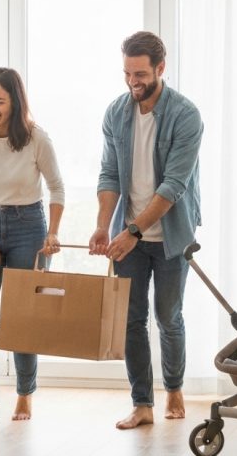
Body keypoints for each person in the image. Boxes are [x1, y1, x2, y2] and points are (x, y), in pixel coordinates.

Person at [88, 31, 202, 430]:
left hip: (169, 235)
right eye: (127, 73)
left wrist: (133, 230)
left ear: (160, 69)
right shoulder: (116, 113)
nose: (133, 81)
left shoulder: (186, 116)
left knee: (168, 316)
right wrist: (104, 226)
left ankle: (173, 388)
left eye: (140, 74)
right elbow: (108, 174)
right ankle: (142, 403)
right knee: (132, 320)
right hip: (127, 238)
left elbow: (173, 186)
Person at [0, 67, 65, 429]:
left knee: (23, 316)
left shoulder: (37, 139)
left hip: (28, 228)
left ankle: (24, 392)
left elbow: (57, 188)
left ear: (15, 103)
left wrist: (52, 234)